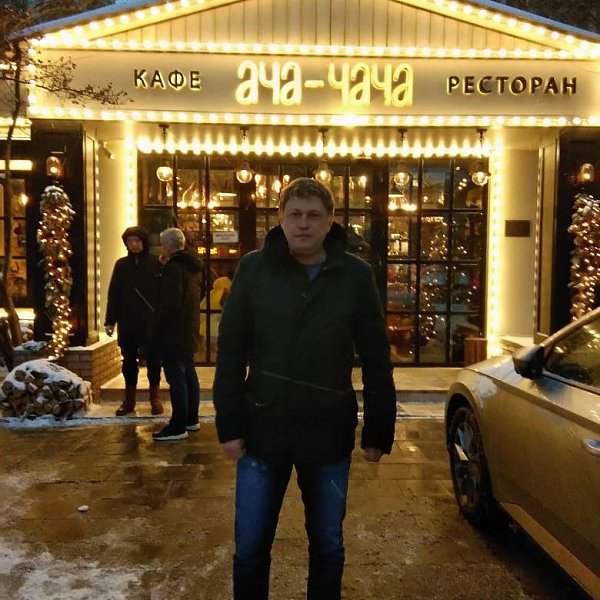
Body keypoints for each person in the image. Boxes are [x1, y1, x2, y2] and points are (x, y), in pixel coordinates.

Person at [213, 177, 397, 599]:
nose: (303, 224)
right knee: (250, 548)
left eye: (314, 215)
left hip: (327, 429)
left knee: (328, 545)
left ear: (330, 222)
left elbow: (375, 355)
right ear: (280, 218)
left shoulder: (354, 275)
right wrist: (230, 423)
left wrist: (378, 428)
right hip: (263, 427)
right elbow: (231, 351)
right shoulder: (254, 269)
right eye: (294, 214)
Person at [149, 228, 203, 442]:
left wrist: (156, 327)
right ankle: (191, 418)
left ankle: (178, 424)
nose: (161, 248)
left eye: (163, 244)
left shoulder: (173, 269)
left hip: (173, 331)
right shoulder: (191, 267)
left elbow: (170, 303)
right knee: (188, 373)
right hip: (188, 328)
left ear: (169, 245)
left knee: (176, 377)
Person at [105, 226, 163, 416]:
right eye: (130, 241)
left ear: (144, 242)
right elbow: (114, 294)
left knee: (154, 360)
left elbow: (162, 293)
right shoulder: (121, 265)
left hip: (150, 321)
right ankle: (129, 400)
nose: (133, 244)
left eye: (137, 240)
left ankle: (155, 398)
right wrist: (110, 320)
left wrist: (161, 317)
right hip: (128, 320)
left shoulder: (155, 263)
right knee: (129, 362)